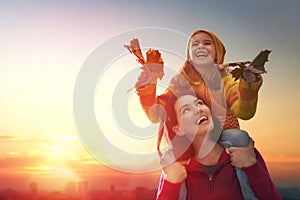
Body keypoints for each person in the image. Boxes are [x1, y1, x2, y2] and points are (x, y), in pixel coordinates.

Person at [134, 29, 264, 199]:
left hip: (224, 137)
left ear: (218, 52)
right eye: (195, 44)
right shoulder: (180, 81)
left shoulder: (226, 79)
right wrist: (147, 88)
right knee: (170, 156)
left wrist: (248, 85)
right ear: (189, 53)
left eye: (207, 43)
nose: (200, 46)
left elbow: (245, 112)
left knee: (240, 137)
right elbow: (156, 114)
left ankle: (250, 195)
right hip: (191, 140)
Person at [155, 89, 282, 199]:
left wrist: (251, 166)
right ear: (179, 129)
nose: (198, 110)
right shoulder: (174, 168)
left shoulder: (243, 150)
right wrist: (170, 183)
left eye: (199, 103)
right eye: (186, 110)